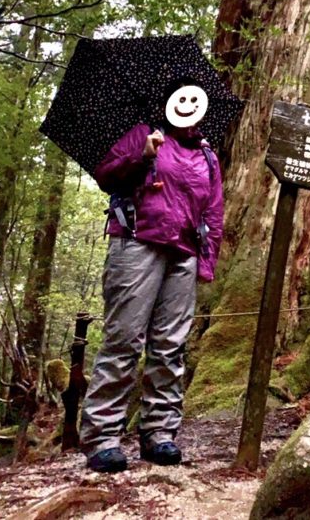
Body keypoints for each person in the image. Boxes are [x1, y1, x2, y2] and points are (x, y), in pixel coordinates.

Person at [79, 81, 223, 473]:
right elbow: (106, 174)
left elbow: (213, 212)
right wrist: (142, 157)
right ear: (168, 102)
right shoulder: (143, 134)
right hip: (137, 242)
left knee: (170, 345)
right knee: (124, 339)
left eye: (197, 99)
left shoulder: (208, 156)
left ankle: (160, 432)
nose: (190, 103)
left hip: (185, 253)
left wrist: (206, 263)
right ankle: (103, 436)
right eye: (183, 97)